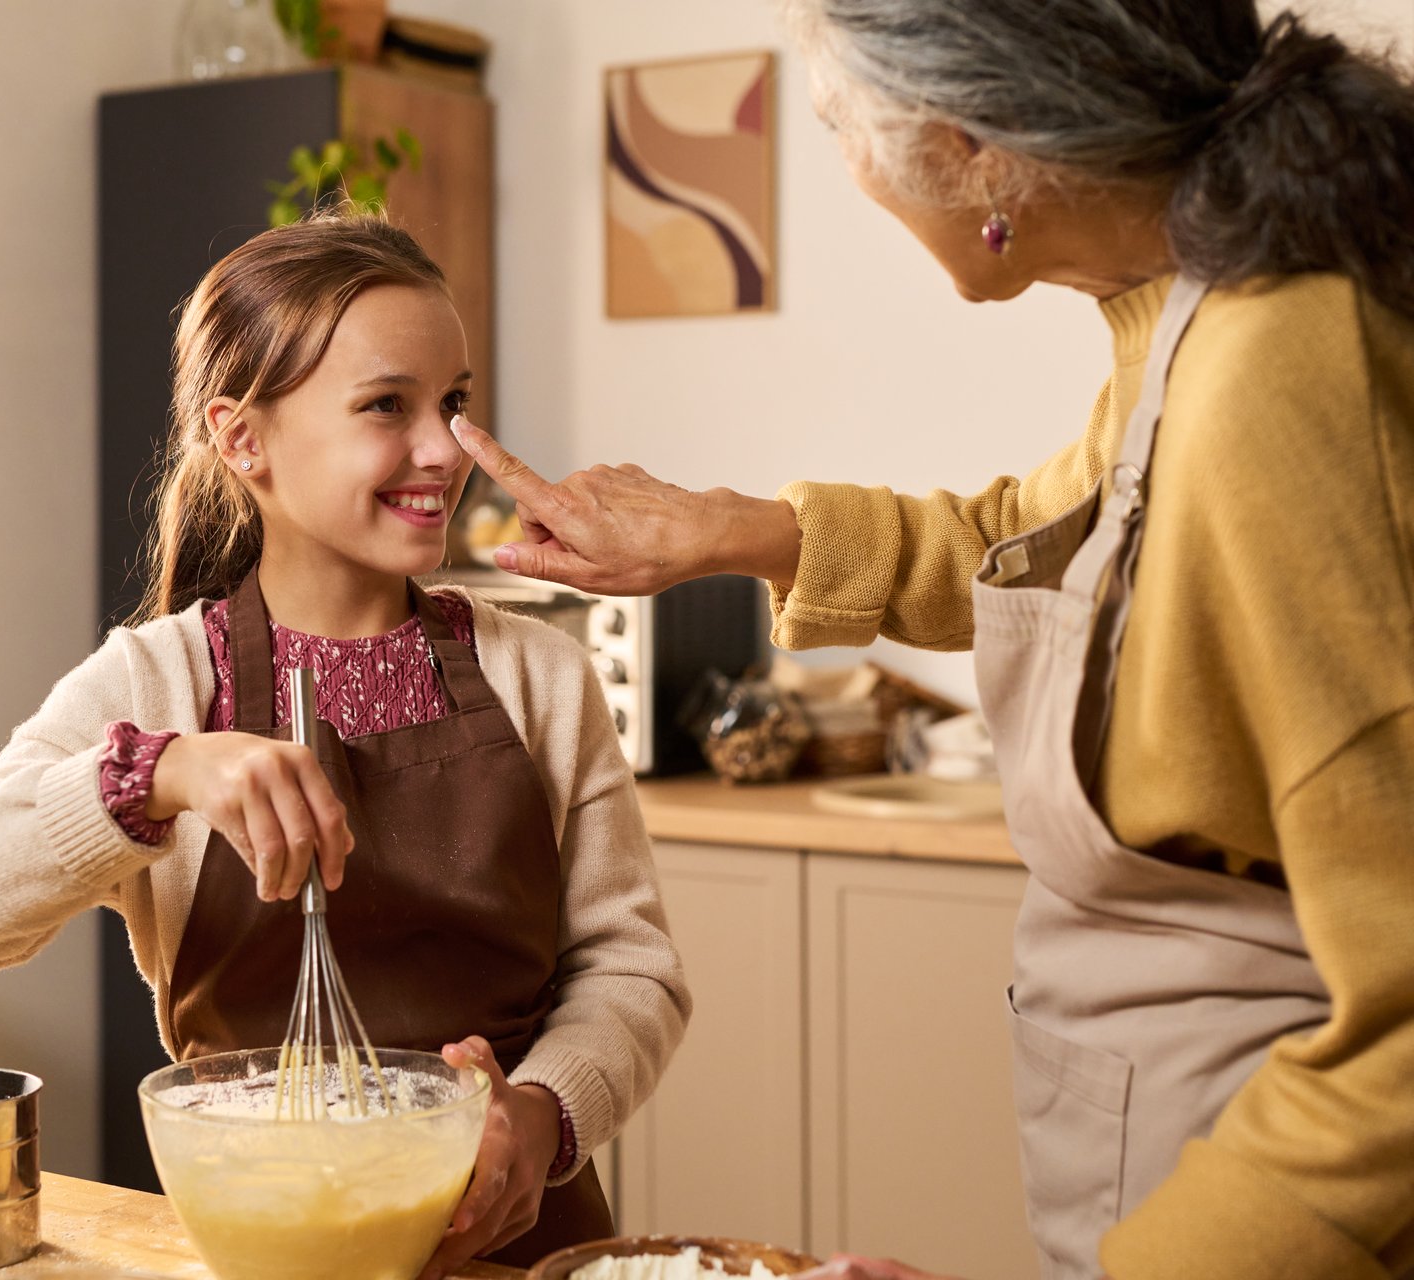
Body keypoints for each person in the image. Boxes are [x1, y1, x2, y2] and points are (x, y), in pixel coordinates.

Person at [447, 3, 1414, 1278]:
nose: (846, 160)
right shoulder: (1192, 314)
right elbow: (1043, 537)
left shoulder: (1279, 365)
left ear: (973, 150)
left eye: (844, 122)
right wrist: (727, 529)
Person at [0, 212, 690, 1276]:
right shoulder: (158, 684)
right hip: (269, 1244)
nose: (445, 449)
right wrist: (157, 774)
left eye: (452, 402)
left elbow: (632, 969)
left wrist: (537, 1118)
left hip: (524, 1242)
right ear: (242, 437)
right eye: (386, 406)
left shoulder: (540, 676)